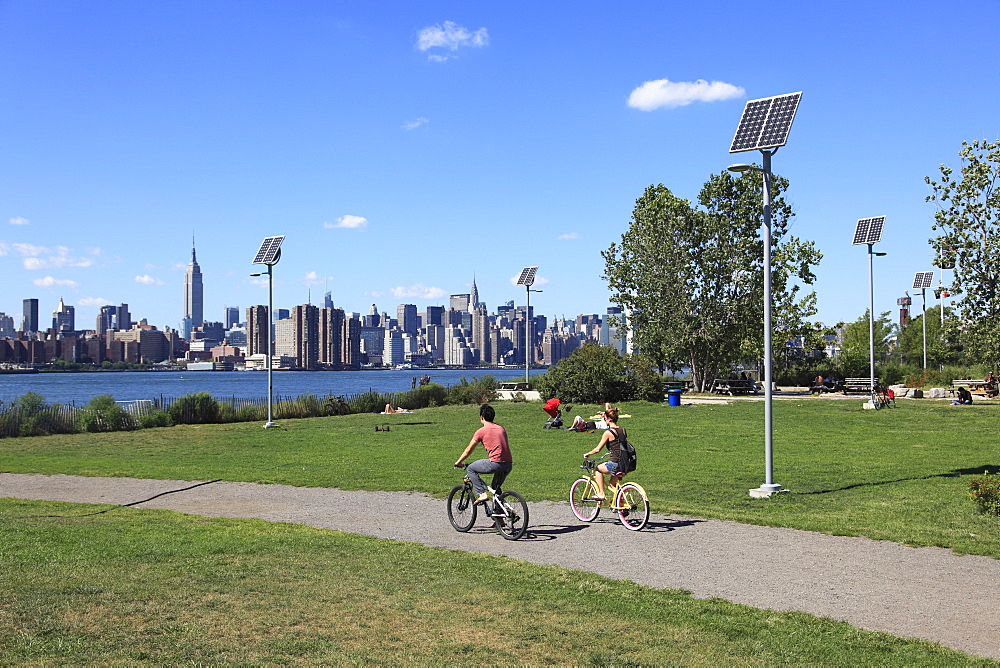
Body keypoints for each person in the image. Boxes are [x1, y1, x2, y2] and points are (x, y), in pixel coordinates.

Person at [455, 404, 513, 504]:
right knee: (496, 489)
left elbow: (469, 449)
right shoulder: (501, 429)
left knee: (471, 468)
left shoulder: (481, 431)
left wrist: (458, 462)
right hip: (508, 464)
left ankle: (482, 493)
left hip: (495, 463)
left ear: (482, 417)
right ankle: (500, 517)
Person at [581, 406, 627, 501]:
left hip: (615, 463)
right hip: (625, 463)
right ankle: (621, 503)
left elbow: (598, 449)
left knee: (597, 469)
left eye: (605, 419)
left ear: (609, 419)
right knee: (612, 485)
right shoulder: (623, 430)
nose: (604, 421)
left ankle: (601, 493)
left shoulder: (608, 433)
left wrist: (588, 454)